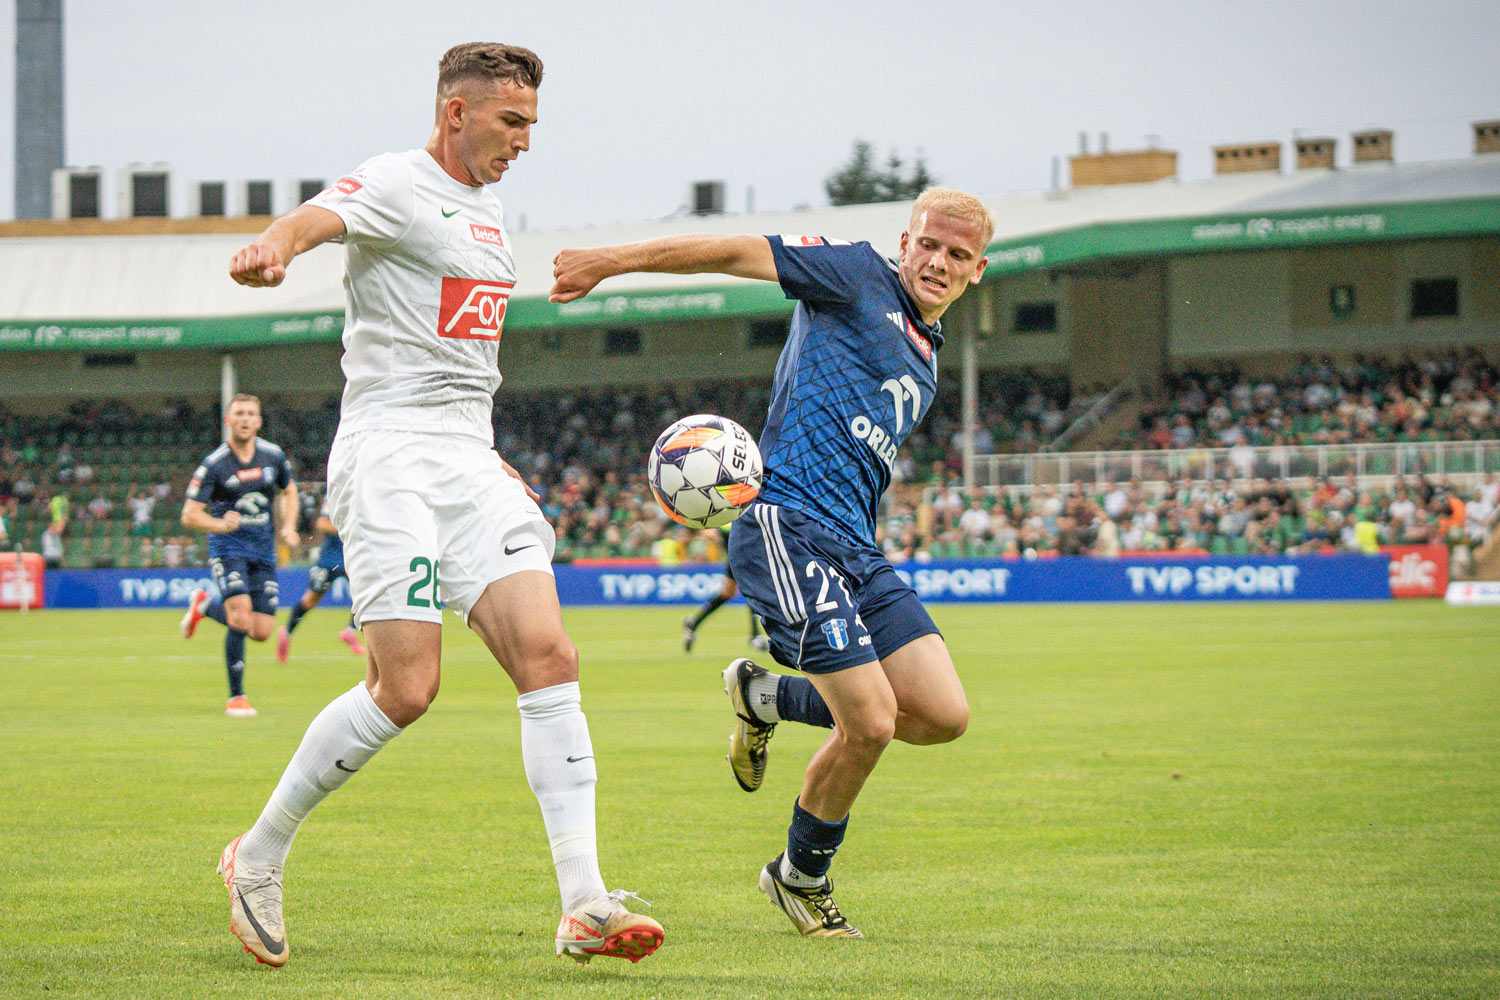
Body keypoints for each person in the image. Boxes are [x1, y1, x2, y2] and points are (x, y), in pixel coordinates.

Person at [216, 42, 661, 970]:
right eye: (512, 122)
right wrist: (274, 247)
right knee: (407, 689)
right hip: (388, 455)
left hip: (468, 456)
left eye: (533, 125)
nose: (525, 142)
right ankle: (257, 854)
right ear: (456, 112)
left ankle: (583, 900)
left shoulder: (492, 212)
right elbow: (319, 216)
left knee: (550, 655)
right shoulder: (396, 181)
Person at [551, 187, 991, 937]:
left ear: (978, 270)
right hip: (785, 524)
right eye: (928, 245)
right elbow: (731, 251)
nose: (938, 263)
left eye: (957, 255)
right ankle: (800, 878)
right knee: (874, 722)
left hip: (858, 546)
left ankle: (768, 699)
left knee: (942, 715)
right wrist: (610, 260)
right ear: (904, 241)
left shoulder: (929, 359)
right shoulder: (854, 274)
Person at [177, 393, 300, 718]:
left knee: (260, 631)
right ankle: (237, 697)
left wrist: (288, 526)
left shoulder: (273, 456)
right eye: (239, 414)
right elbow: (189, 515)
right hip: (228, 548)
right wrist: (219, 525)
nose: (245, 419)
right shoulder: (215, 464)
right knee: (240, 617)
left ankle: (203, 604)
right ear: (228, 421)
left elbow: (289, 490)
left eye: (250, 414)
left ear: (258, 421)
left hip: (263, 549)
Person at [276, 499, 366, 662]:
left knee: (365, 595)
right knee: (311, 600)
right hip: (330, 560)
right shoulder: (336, 494)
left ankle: (350, 631)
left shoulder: (364, 491)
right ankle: (286, 632)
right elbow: (322, 523)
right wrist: (349, 531)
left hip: (352, 558)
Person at [681, 526, 770, 653]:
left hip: (740, 555)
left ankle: (694, 623)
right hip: (742, 556)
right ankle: (755, 635)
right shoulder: (735, 517)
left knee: (729, 593)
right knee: (753, 592)